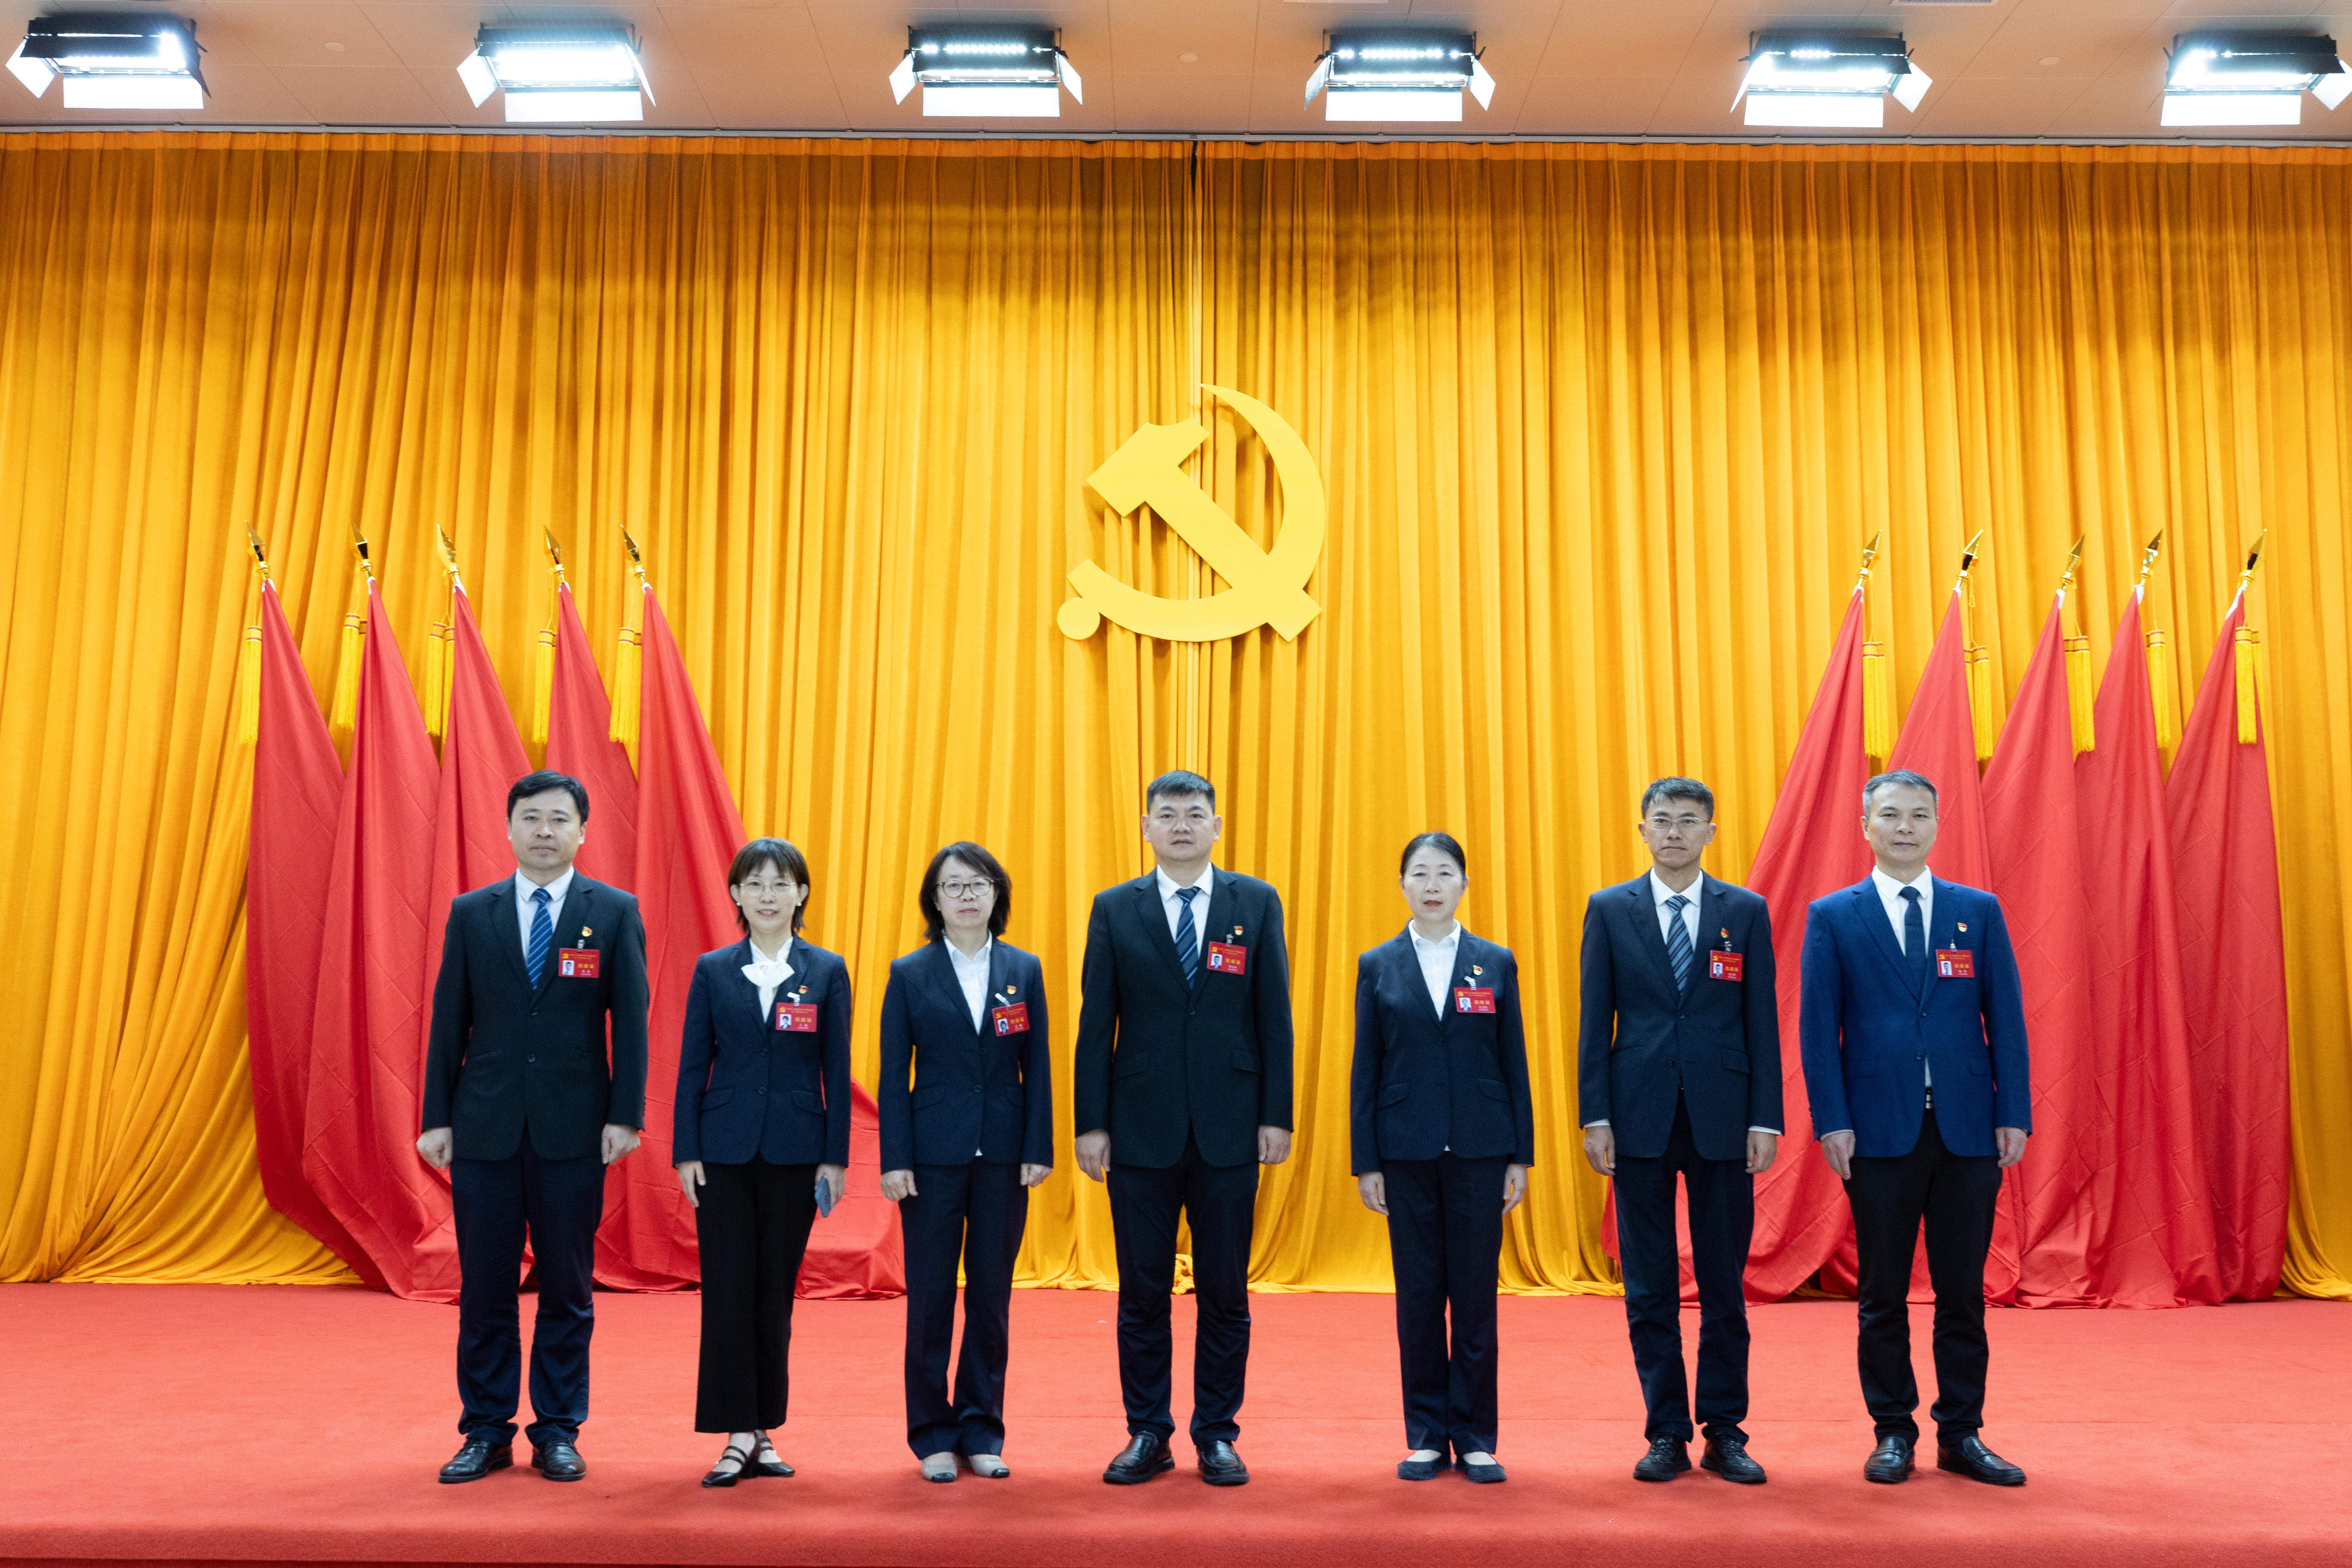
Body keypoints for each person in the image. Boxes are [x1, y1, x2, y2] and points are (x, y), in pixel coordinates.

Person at [1800, 769, 2031, 1488]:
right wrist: (1832, 1120)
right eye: (1892, 815)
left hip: (1968, 1130)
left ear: (1937, 825)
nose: (1906, 827)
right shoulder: (1833, 915)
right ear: (1865, 826)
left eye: (1920, 815)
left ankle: (1961, 1434)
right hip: (1877, 1130)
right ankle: (1893, 1432)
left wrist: (2013, 1111)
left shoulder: (1977, 911)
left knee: (1963, 1292)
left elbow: (2007, 1016)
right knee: (1882, 1294)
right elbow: (1818, 1029)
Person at [418, 770, 649, 1485]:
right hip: (484, 1126)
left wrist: (626, 1115)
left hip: (574, 1129)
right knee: (486, 1289)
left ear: (582, 831)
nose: (544, 831)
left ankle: (557, 1430)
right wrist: (436, 1117)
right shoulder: (472, 912)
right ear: (510, 828)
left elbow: (631, 1022)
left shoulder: (613, 911)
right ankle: (486, 1430)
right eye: (531, 818)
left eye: (559, 819)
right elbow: (448, 1020)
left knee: (568, 1290)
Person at [1072, 769, 1294, 1487]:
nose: (1181, 826)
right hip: (1140, 1128)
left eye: (1195, 814)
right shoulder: (1115, 908)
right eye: (1166, 815)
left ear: (1216, 827)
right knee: (1142, 1292)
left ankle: (1218, 1435)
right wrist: (1090, 1124)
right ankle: (1148, 1432)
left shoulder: (1255, 902)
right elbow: (1096, 1023)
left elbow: (1274, 1016)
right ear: (1146, 828)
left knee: (1225, 1291)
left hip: (1232, 1126)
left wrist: (1277, 1114)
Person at [1576, 777, 1780, 1485]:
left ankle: (1725, 1431)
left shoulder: (1744, 911)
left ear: (1710, 832)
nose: (1673, 832)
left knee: (1724, 1285)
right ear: (1642, 830)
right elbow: (1594, 1021)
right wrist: (1596, 1116)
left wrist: (1766, 1116)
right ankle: (1666, 1431)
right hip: (1638, 1117)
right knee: (1650, 1286)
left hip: (1725, 1118)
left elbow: (1761, 1021)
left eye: (1688, 821)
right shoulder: (1610, 909)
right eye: (1661, 820)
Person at [1350, 831, 1533, 1484]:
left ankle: (1476, 1436)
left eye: (1445, 873)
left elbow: (1514, 1061)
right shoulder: (1378, 964)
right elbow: (1366, 1068)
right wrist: (1368, 1161)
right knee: (1420, 1298)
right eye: (1420, 874)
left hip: (1482, 1149)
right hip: (1405, 1150)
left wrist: (1520, 1155)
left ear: (1464, 884)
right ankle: (1426, 1435)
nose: (1432, 885)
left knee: (1476, 1297)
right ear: (1402, 884)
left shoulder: (1495, 961)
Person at [671, 837, 851, 1487]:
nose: (768, 896)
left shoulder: (826, 970)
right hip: (721, 1152)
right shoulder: (713, 969)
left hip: (797, 1154)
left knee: (774, 1293)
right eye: (755, 884)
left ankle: (762, 1428)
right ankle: (736, 1433)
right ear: (736, 895)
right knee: (727, 1290)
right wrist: (686, 1150)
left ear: (801, 894)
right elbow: (693, 1064)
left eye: (780, 884)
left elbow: (837, 1069)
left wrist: (835, 1159)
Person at [877, 842, 1054, 1482]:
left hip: (1004, 1156)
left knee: (991, 1297)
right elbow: (893, 1075)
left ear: (997, 893)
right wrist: (895, 1159)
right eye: (953, 886)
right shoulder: (909, 973)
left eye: (979, 884)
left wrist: (1037, 1148)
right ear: (935, 899)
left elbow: (1038, 1066)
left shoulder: (1023, 969)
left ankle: (982, 1429)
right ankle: (931, 1433)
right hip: (931, 1159)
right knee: (929, 1299)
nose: (967, 896)